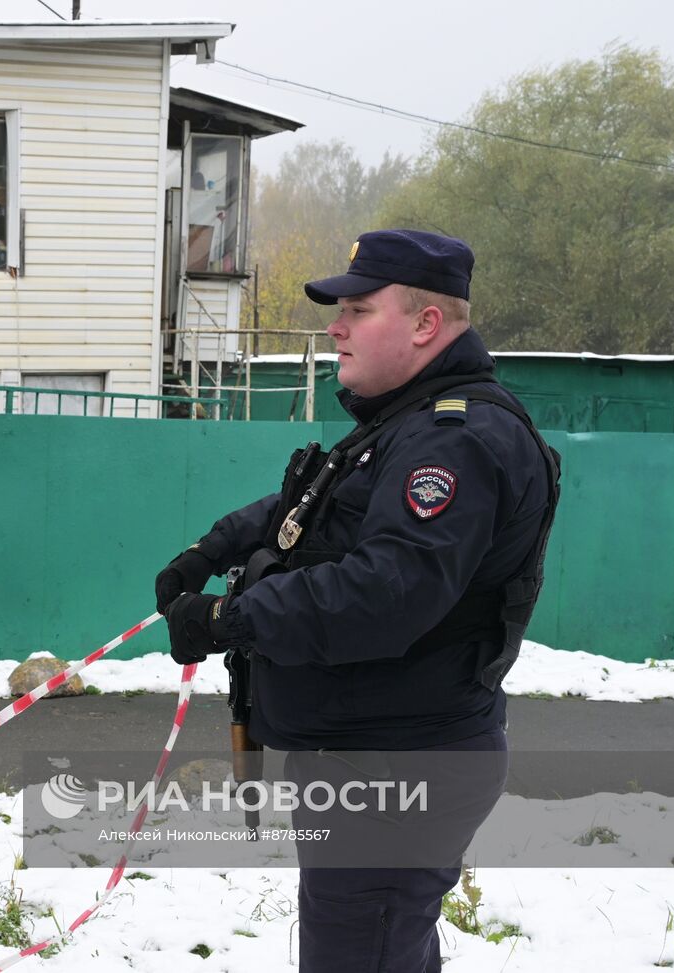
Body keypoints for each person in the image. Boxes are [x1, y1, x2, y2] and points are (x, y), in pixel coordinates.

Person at [154, 229, 560, 972]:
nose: (335, 326)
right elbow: (314, 507)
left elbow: (384, 592)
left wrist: (229, 618)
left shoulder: (456, 440)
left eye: (358, 308)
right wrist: (212, 550)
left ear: (425, 324)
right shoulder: (404, 424)